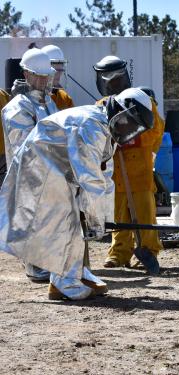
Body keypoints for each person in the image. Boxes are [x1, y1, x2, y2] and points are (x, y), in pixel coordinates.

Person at [0, 87, 154, 300]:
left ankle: (77, 273)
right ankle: (63, 281)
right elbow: (89, 179)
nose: (130, 129)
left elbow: (103, 175)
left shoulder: (105, 128)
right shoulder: (90, 126)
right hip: (40, 167)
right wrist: (95, 218)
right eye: (131, 123)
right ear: (121, 113)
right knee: (65, 220)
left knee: (75, 219)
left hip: (57, 168)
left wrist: (103, 217)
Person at [93, 56, 164, 272]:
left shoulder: (140, 100)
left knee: (144, 215)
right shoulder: (101, 106)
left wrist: (138, 142)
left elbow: (157, 130)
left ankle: (148, 250)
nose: (113, 82)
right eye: (108, 78)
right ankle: (119, 253)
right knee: (119, 216)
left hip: (140, 170)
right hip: (116, 172)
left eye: (117, 77)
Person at [1, 48, 59, 282]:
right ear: (27, 74)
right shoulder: (17, 107)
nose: (44, 80)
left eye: (47, 76)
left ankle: (50, 261)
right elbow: (24, 145)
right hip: (28, 173)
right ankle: (35, 265)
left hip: (50, 169)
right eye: (39, 76)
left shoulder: (49, 103)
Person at [41, 44, 75, 110]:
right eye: (55, 71)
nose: (58, 74)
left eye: (60, 70)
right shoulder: (34, 98)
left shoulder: (64, 97)